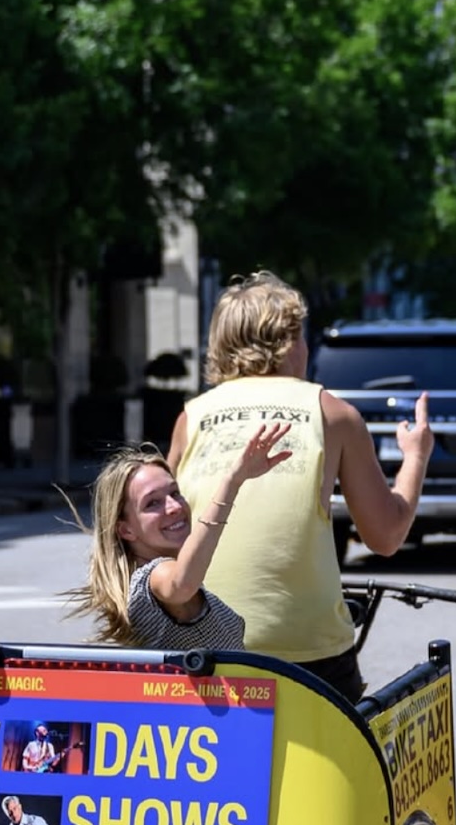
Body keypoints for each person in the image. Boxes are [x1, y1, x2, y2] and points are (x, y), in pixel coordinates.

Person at [167, 270, 434, 702]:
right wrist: (416, 456)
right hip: (306, 657)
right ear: (290, 342)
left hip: (201, 647)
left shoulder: (191, 418)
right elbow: (384, 537)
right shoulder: (332, 413)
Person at [67, 422, 291, 650]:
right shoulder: (153, 576)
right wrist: (232, 482)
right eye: (152, 503)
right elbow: (181, 584)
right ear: (125, 530)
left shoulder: (165, 572)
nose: (174, 506)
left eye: (175, 492)